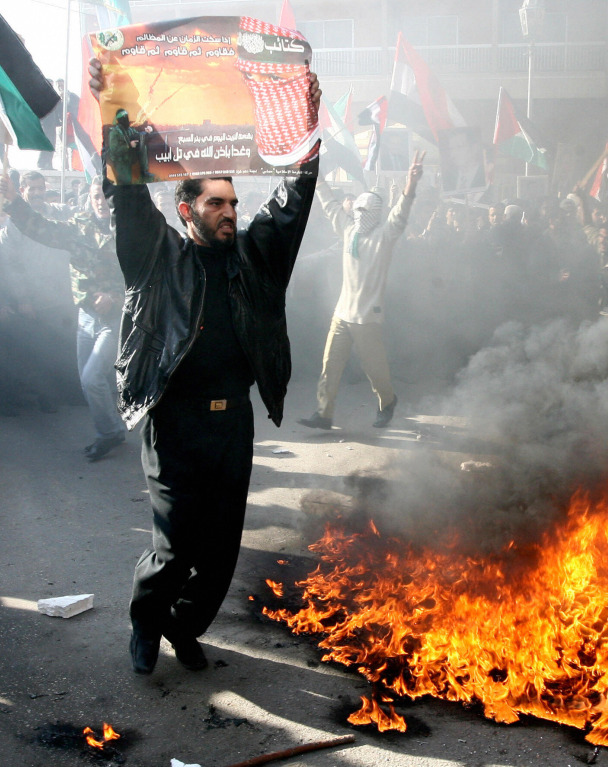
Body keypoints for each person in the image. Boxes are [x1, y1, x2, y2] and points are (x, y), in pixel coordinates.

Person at [88, 58, 321, 675]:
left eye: (234, 203)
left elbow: (295, 201)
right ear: (187, 210)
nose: (230, 212)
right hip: (177, 424)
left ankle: (183, 624)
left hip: (231, 426)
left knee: (219, 555)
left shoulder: (256, 258)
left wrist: (306, 132)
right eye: (216, 202)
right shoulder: (156, 257)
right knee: (175, 548)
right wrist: (114, 113)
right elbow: (131, 198)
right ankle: (146, 622)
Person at [300, 150, 425, 431]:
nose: (358, 215)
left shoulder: (384, 237)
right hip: (342, 313)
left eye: (364, 212)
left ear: (375, 215)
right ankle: (324, 414)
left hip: (368, 316)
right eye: (357, 210)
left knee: (375, 370)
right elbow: (331, 205)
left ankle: (387, 402)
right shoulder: (348, 231)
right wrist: (317, 178)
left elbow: (400, 212)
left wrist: (411, 184)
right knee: (330, 366)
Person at [0, 173, 123, 450]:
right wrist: (13, 200)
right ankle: (112, 428)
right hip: (86, 315)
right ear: (89, 200)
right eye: (95, 197)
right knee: (88, 380)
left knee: (93, 379)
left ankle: (109, 433)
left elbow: (142, 273)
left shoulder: (130, 229)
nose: (100, 202)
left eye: (105, 197)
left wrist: (115, 296)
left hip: (117, 315)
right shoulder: (79, 226)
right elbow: (39, 227)